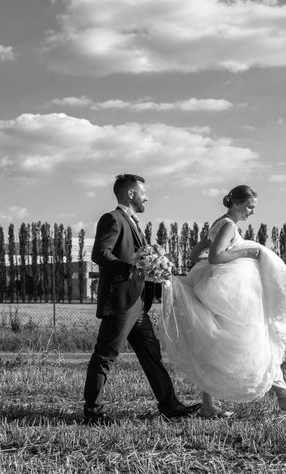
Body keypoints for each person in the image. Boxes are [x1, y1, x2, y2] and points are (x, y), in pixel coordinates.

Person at [155, 185, 286, 418]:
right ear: (237, 204)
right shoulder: (229, 224)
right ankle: (282, 394)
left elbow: (195, 254)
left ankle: (271, 395)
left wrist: (214, 262)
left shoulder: (218, 223)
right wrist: (246, 253)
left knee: (213, 343)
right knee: (251, 337)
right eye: (249, 206)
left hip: (216, 286)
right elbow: (215, 256)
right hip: (229, 292)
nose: (251, 212)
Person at [82, 174, 201, 425]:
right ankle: (93, 412)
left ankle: (170, 406)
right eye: (143, 192)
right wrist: (130, 269)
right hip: (122, 302)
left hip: (138, 304)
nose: (147, 196)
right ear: (131, 194)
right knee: (106, 355)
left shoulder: (134, 223)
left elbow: (142, 263)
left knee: (151, 354)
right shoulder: (112, 219)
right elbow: (100, 254)